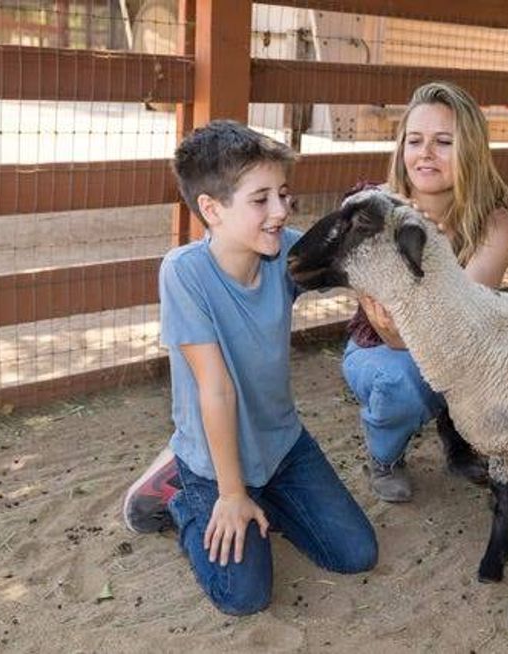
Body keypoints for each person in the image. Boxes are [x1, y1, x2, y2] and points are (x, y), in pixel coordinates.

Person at [121, 120, 377, 616]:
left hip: (281, 446)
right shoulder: (184, 273)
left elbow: (349, 261)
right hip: (215, 464)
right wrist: (233, 493)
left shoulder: (282, 252)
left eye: (283, 194)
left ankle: (267, 499)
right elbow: (215, 390)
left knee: (356, 554)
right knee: (245, 597)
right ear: (211, 210)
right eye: (261, 199)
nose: (281, 211)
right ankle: (179, 494)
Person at [341, 81, 508, 503]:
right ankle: (384, 456)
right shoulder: (372, 211)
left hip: (458, 349)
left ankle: (458, 434)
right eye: (415, 140)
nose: (425, 153)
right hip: (382, 351)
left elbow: (459, 327)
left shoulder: (495, 226)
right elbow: (390, 333)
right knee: (404, 379)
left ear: (472, 151)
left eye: (443, 142)